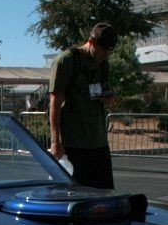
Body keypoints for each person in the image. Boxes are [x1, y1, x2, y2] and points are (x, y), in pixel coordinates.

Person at [48, 22, 118, 189]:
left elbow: (104, 90)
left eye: (108, 52)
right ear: (91, 42)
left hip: (98, 142)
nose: (105, 56)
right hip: (73, 143)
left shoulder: (103, 64)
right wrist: (55, 141)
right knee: (76, 195)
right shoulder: (67, 60)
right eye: (102, 51)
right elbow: (55, 102)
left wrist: (108, 97)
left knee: (105, 195)